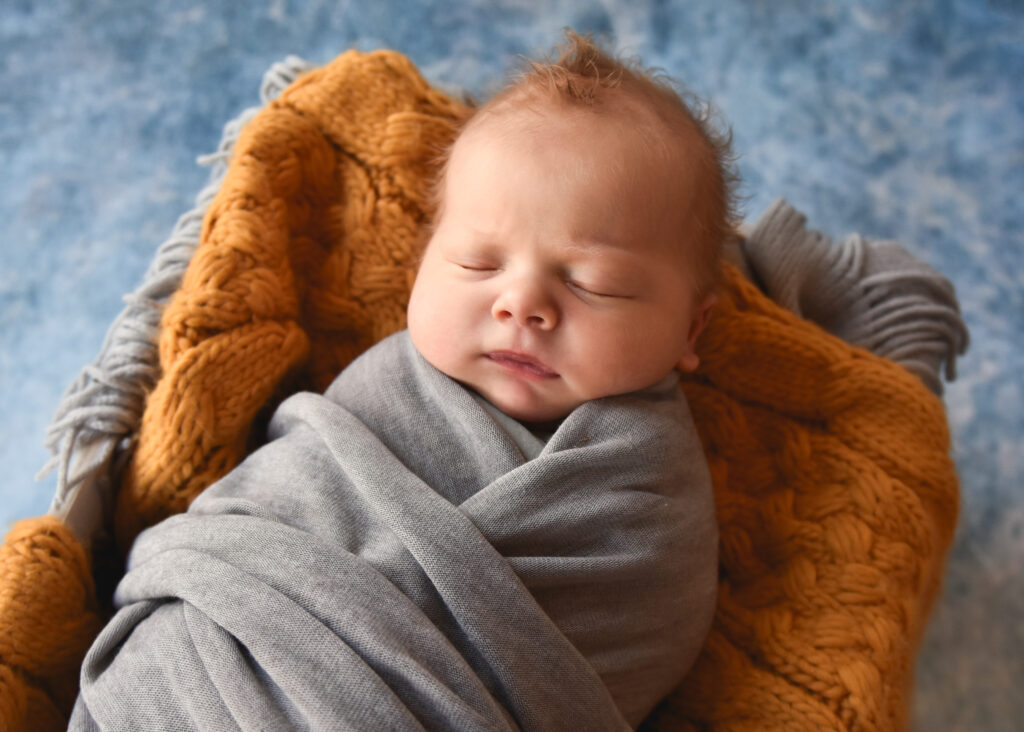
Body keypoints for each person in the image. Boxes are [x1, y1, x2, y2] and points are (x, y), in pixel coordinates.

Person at [71, 31, 736, 730]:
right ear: (423, 264)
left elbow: (638, 633)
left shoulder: (646, 494)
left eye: (592, 283)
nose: (523, 305)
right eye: (480, 264)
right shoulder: (386, 386)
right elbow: (268, 512)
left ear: (690, 332)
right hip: (211, 650)